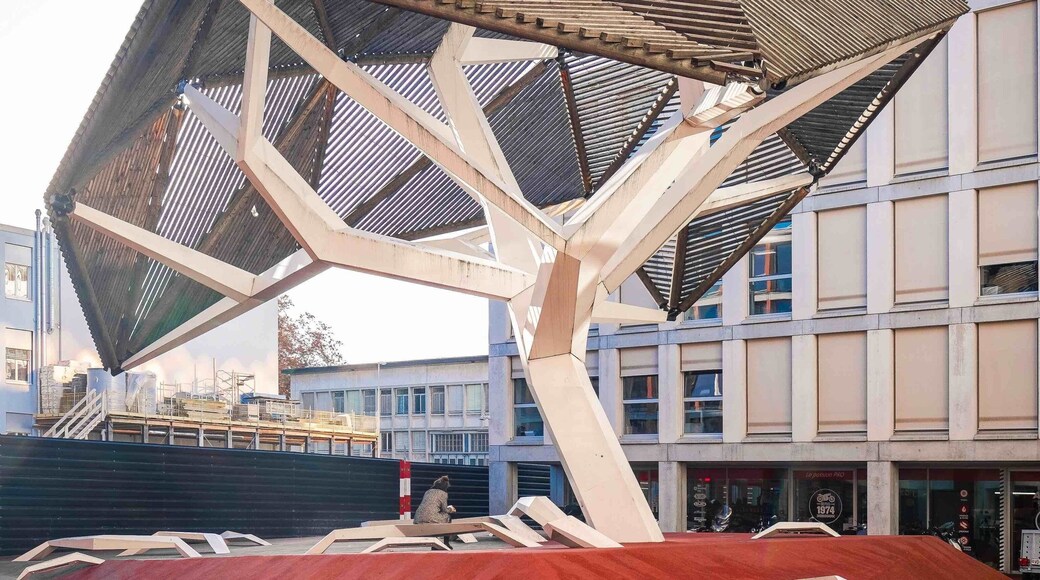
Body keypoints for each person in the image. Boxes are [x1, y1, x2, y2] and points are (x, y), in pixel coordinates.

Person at [415, 475, 457, 548]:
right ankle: (446, 543)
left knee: (436, 518)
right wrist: (451, 509)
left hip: (418, 518)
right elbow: (444, 509)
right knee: (447, 517)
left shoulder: (427, 492)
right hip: (430, 518)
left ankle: (435, 544)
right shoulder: (443, 494)